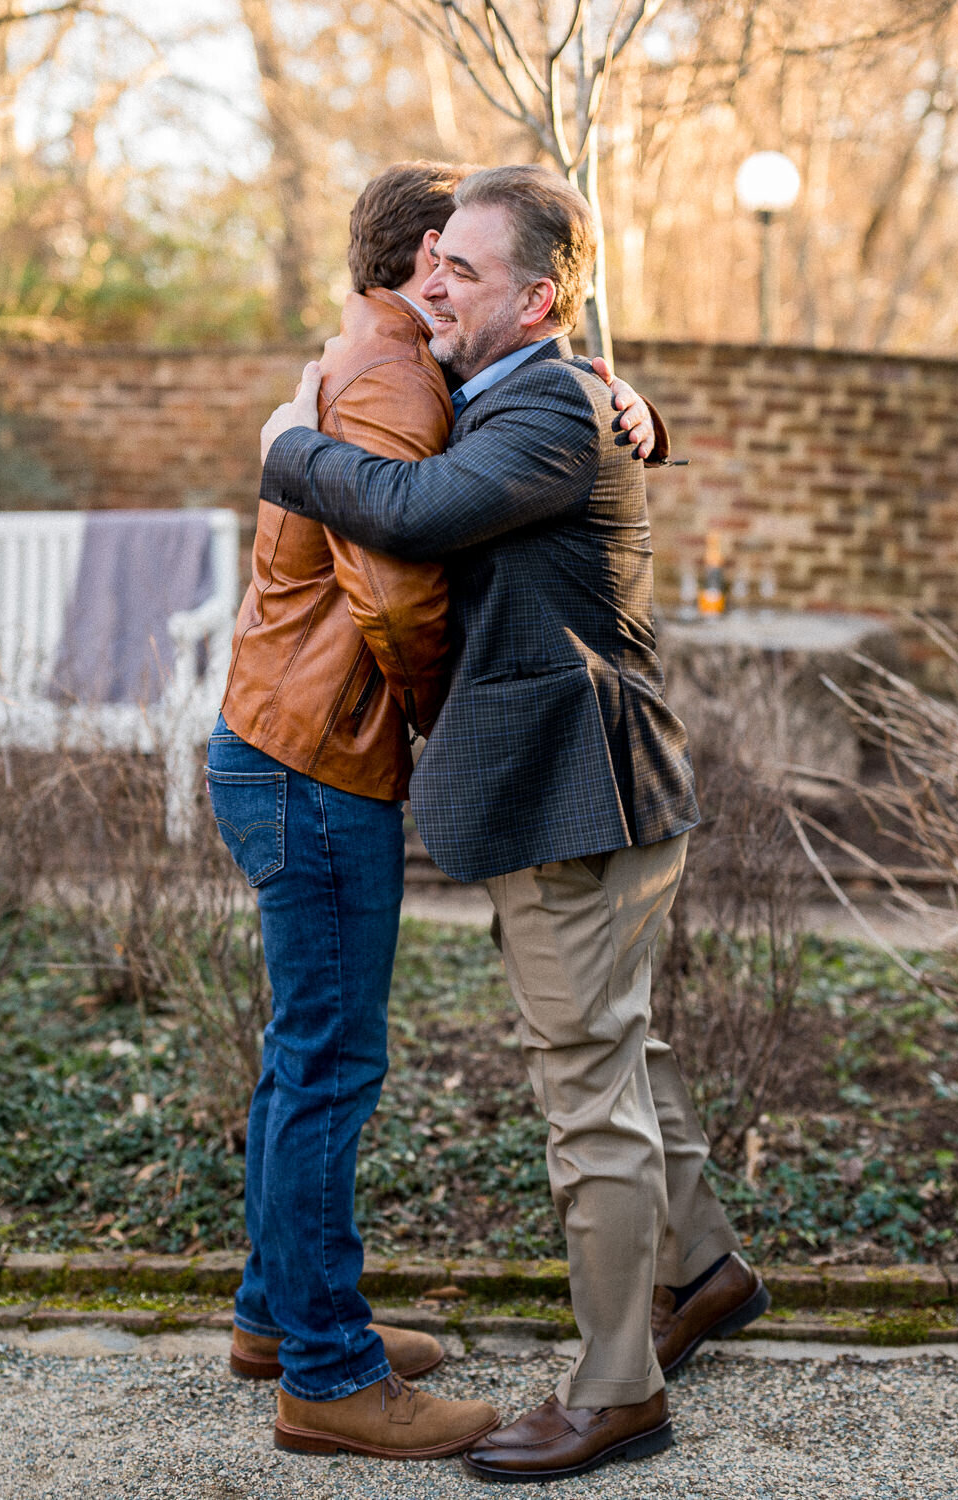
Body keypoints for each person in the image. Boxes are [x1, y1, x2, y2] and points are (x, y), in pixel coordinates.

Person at [257, 163, 770, 1482]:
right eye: (431, 264)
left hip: (574, 792)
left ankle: (615, 1393)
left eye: (465, 271)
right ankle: (701, 1270)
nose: (439, 287)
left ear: (535, 297)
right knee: (618, 1050)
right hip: (585, 786)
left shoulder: (545, 402)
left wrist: (285, 447)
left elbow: (415, 512)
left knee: (584, 1091)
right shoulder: (533, 387)